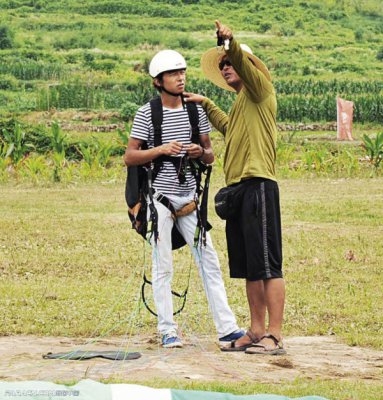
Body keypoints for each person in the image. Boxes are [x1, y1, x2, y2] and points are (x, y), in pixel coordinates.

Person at [124, 49, 243, 348]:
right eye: (174, 74)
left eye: (183, 72)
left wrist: (199, 153)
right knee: (162, 265)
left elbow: (210, 154)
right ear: (158, 81)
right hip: (160, 200)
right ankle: (168, 329)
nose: (180, 78)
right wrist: (161, 150)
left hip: (190, 199)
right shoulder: (147, 114)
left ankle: (227, 328)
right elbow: (130, 156)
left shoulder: (195, 111)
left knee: (210, 262)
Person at [184, 20, 286, 355]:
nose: (226, 67)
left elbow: (241, 59)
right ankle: (255, 330)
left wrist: (230, 43)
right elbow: (229, 127)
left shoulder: (260, 89)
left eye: (230, 63)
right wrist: (205, 103)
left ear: (249, 67)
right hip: (239, 188)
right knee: (249, 266)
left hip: (258, 184)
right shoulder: (243, 102)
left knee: (268, 264)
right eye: (223, 65)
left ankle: (275, 334)